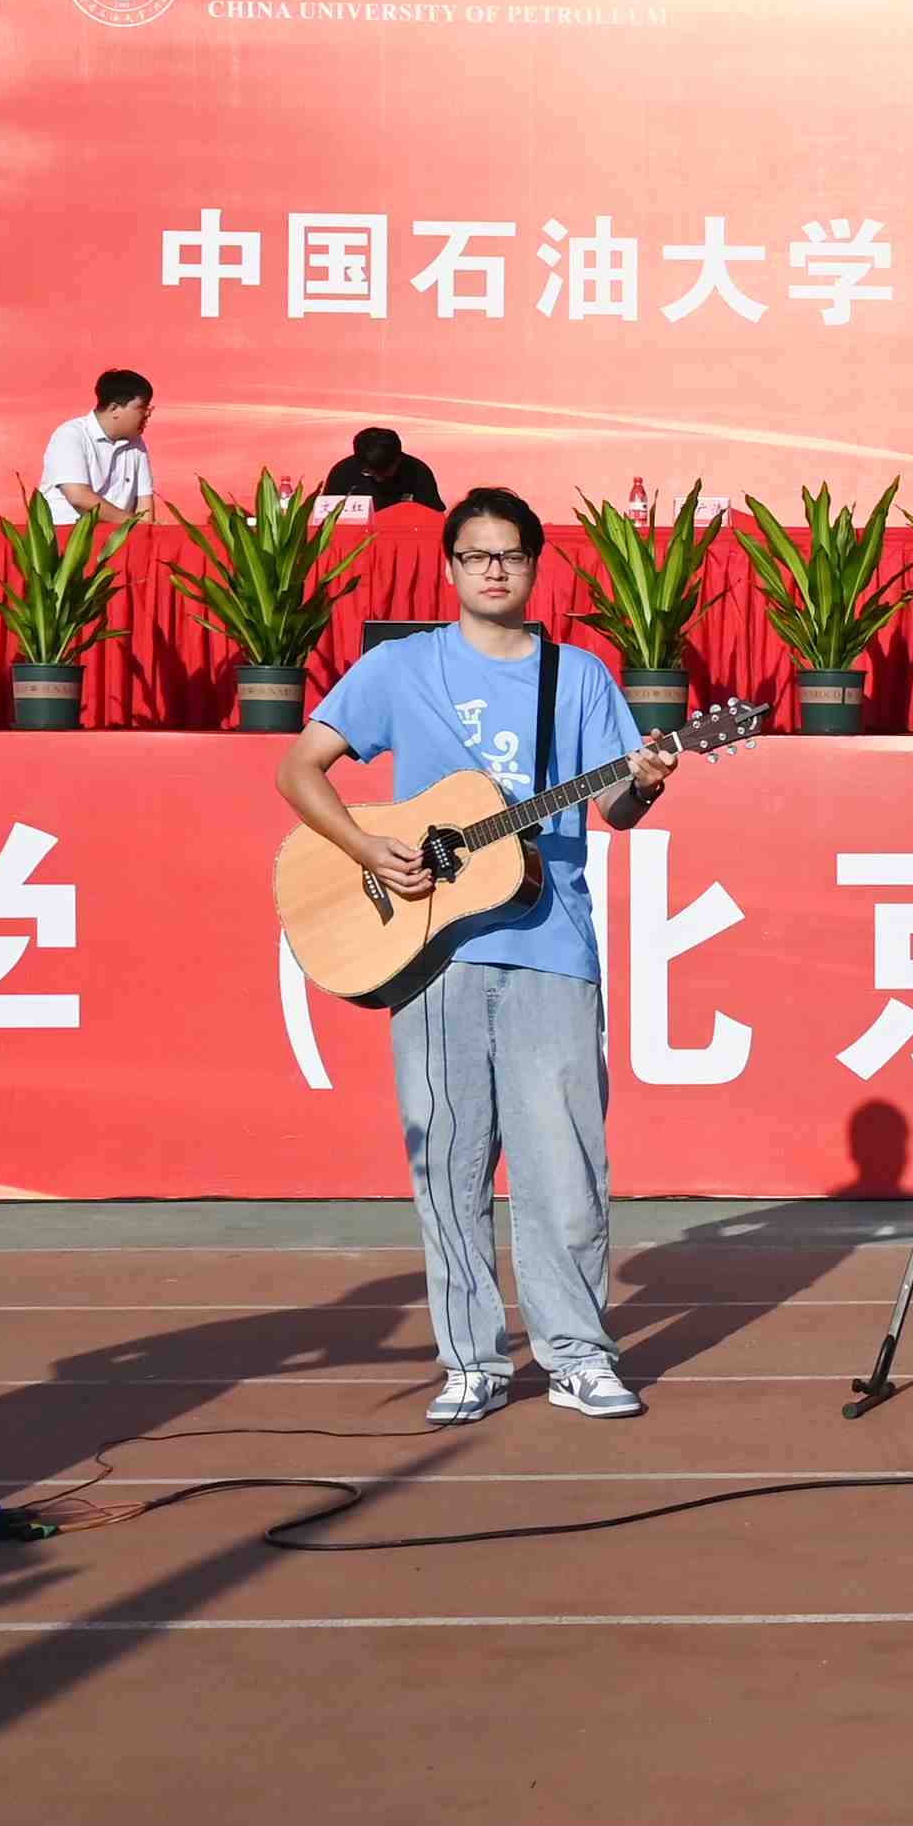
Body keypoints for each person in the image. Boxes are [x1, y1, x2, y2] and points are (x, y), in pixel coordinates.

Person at [274, 484, 686, 1424]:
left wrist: (648, 780)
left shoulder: (578, 677)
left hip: (553, 944)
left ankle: (577, 1356)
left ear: (535, 567)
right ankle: (472, 1364)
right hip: (432, 950)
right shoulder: (398, 667)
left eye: (511, 555)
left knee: (565, 1170)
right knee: (450, 1167)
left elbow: (615, 810)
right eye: (476, 555)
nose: (493, 570)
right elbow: (299, 768)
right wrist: (364, 847)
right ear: (451, 566)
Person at [39, 367, 155, 526]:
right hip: (68, 534)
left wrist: (142, 527)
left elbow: (145, 506)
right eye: (142, 408)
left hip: (120, 535)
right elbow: (78, 496)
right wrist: (135, 523)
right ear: (114, 409)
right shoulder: (71, 434)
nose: (148, 413)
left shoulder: (136, 444)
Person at [313, 426, 444, 515]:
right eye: (370, 473)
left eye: (385, 473)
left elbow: (433, 516)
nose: (378, 479)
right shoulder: (342, 472)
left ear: (398, 458)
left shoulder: (417, 472)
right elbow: (327, 519)